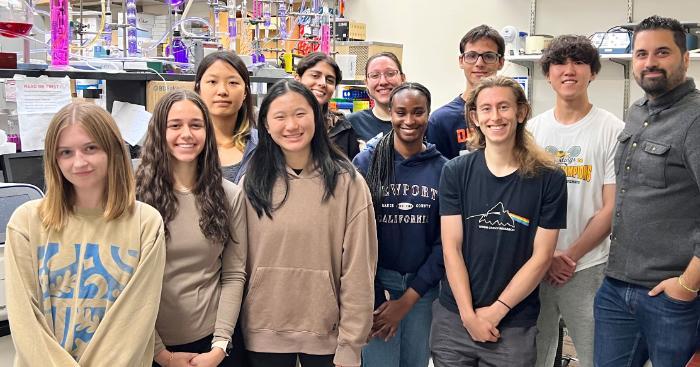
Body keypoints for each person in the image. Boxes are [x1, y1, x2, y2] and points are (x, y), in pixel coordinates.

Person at [5, 102, 166, 366]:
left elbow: (134, 322)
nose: (78, 162)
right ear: (53, 159)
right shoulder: (26, 223)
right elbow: (25, 323)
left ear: (112, 150)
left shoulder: (145, 224)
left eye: (90, 148)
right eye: (66, 152)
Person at [430, 75, 567, 366]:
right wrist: (468, 315)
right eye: (486, 109)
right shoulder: (456, 171)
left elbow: (541, 257)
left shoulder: (549, 178)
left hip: (514, 323)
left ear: (521, 112)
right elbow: (451, 246)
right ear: (475, 117)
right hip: (454, 319)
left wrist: (495, 311)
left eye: (504, 107)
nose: (495, 116)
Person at [241, 80, 377, 367]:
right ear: (265, 124)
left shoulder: (348, 182)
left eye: (300, 113)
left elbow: (359, 269)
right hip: (261, 334)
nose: (291, 125)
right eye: (279, 116)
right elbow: (235, 265)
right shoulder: (251, 181)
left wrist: (352, 344)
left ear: (316, 117)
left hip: (327, 337)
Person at [594, 15, 700, 366]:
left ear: (685, 58)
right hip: (616, 287)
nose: (649, 63)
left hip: (671, 296)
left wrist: (687, 285)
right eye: (641, 54)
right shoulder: (637, 111)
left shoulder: (696, 120)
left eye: (662, 52)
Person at [528, 35, 624, 367]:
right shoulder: (532, 131)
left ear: (593, 73)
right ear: (548, 73)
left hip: (587, 266)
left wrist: (568, 255)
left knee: (596, 355)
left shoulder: (613, 129)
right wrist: (546, 255)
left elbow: (611, 205)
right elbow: (524, 203)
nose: (569, 70)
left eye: (579, 62)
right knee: (533, 355)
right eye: (560, 62)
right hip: (536, 264)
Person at [136, 90, 247, 367]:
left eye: (196, 125)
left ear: (207, 133)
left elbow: (233, 274)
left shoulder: (229, 195)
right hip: (146, 344)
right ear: (159, 132)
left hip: (212, 343)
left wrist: (220, 345)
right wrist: (160, 353)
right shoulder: (133, 196)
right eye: (175, 125)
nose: (186, 134)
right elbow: (125, 281)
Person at [353, 82, 446, 367]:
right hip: (375, 288)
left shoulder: (443, 169)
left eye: (418, 112)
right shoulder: (367, 163)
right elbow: (354, 234)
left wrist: (407, 300)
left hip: (423, 289)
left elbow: (446, 242)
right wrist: (376, 291)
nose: (409, 121)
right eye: (401, 112)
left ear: (428, 114)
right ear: (389, 114)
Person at [426, 25, 505, 159]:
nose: (479, 63)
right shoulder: (441, 120)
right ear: (461, 61)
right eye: (471, 56)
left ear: (501, 62)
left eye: (489, 56)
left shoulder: (509, 115)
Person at [195, 51, 257, 184]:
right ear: (198, 89)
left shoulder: (263, 146)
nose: (222, 91)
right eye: (212, 82)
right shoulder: (185, 143)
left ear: (245, 92)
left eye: (233, 83)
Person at [296, 52, 360, 158]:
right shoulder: (283, 122)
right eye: (315, 76)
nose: (322, 83)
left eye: (330, 80)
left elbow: (353, 170)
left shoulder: (343, 129)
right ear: (298, 79)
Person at [346, 52, 406, 144]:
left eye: (390, 74)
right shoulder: (352, 123)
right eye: (374, 75)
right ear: (366, 83)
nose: (383, 82)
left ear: (402, 78)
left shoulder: (417, 122)